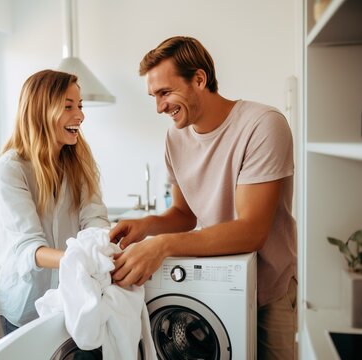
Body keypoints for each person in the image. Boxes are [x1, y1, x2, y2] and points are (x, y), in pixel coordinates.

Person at [109, 36, 297, 359]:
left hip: (269, 290)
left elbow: (252, 231)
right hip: (214, 283)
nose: (159, 107)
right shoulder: (174, 138)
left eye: (165, 92)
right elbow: (184, 213)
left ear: (199, 79)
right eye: (154, 96)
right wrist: (146, 226)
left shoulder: (263, 125)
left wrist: (163, 245)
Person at [0, 69, 110, 335]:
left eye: (79, 105)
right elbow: (28, 247)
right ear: (40, 111)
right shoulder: (10, 170)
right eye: (68, 107)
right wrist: (82, 259)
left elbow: (94, 218)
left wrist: (103, 248)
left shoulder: (79, 161)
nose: (80, 115)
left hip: (73, 299)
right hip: (27, 305)